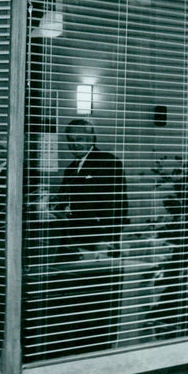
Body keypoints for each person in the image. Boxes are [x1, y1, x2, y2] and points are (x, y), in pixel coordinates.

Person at [43, 118, 127, 356]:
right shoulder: (71, 168)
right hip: (73, 244)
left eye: (79, 139)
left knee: (97, 303)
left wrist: (106, 241)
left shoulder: (108, 163)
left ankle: (96, 348)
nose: (75, 145)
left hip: (96, 245)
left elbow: (119, 208)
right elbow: (62, 200)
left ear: (92, 137)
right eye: (71, 141)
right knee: (77, 301)